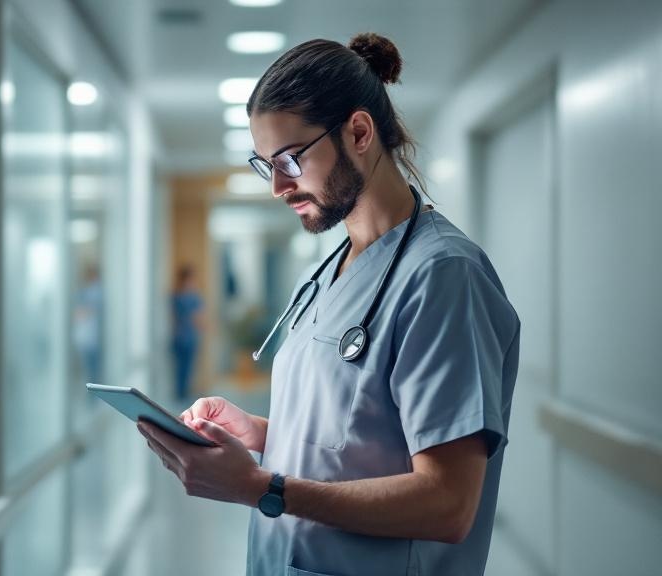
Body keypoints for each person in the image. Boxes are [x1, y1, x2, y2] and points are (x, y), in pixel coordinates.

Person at [137, 33, 520, 576]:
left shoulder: (442, 276)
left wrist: (260, 487)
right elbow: (360, 442)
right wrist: (260, 435)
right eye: (264, 163)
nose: (277, 186)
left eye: (290, 160)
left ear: (359, 132)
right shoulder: (327, 269)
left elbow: (449, 502)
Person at [170, 265, 203, 401]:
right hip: (181, 338)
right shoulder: (179, 297)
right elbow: (197, 317)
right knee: (181, 368)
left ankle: (183, 393)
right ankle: (181, 394)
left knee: (187, 367)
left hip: (187, 337)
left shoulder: (186, 297)